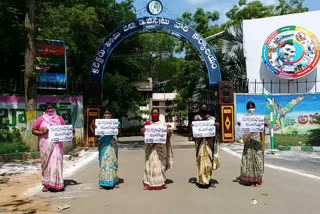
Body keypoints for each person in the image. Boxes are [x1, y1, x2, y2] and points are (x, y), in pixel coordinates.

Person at [32, 103, 66, 192]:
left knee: (56, 162)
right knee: (46, 164)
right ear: (45, 109)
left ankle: (57, 183)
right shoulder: (41, 119)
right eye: (48, 108)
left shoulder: (59, 118)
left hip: (57, 146)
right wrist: (42, 133)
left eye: (52, 108)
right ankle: (46, 184)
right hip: (45, 146)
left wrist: (70, 132)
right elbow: (33, 130)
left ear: (55, 108)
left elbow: (65, 129)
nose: (50, 109)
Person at [141, 108, 173, 190]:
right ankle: (149, 182)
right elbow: (142, 133)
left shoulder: (162, 125)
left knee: (160, 165)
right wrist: (143, 131)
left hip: (160, 149)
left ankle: (161, 182)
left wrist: (169, 132)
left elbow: (169, 133)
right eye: (153, 113)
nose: (154, 114)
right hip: (151, 148)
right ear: (151, 114)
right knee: (151, 164)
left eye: (156, 113)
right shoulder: (147, 124)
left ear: (158, 115)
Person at [192, 104, 219, 188]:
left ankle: (208, 180)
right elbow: (192, 132)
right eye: (202, 108)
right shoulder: (196, 118)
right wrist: (191, 127)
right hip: (200, 144)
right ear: (199, 109)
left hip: (209, 144)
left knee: (208, 163)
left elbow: (216, 131)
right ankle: (201, 181)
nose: (203, 109)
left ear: (207, 109)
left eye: (205, 108)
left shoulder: (212, 119)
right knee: (200, 162)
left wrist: (217, 126)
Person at [239, 101, 264, 187]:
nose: (251, 109)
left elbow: (265, 125)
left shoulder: (258, 118)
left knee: (257, 159)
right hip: (248, 141)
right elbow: (243, 129)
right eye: (249, 108)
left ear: (255, 108)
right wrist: (240, 124)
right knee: (249, 159)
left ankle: (257, 180)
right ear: (247, 109)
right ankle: (250, 180)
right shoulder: (245, 119)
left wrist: (264, 124)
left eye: (252, 107)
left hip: (256, 140)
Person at [97, 109, 120, 189]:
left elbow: (118, 131)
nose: (107, 115)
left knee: (112, 162)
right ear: (103, 115)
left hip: (112, 144)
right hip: (103, 144)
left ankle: (114, 181)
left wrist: (117, 128)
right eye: (105, 113)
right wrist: (96, 127)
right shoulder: (100, 123)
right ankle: (102, 181)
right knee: (103, 162)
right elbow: (95, 131)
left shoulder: (116, 123)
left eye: (109, 113)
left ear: (111, 115)